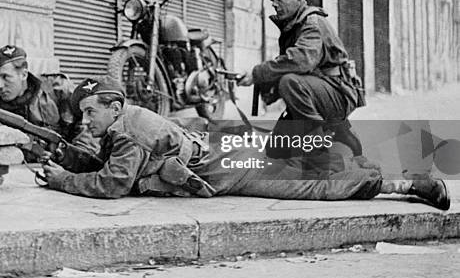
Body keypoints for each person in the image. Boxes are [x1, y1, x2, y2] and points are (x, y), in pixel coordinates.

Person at [42, 76, 450, 211]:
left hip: (225, 168)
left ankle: (411, 184)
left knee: (310, 185)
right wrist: (71, 160)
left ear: (113, 107)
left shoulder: (128, 132)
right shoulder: (128, 121)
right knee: (308, 168)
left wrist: (63, 179)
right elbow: (112, 166)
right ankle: (383, 171)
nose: (85, 119)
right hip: (220, 153)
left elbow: (112, 184)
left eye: (91, 111)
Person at [237, 0, 366, 167]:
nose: (274, 3)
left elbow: (301, 61)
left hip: (339, 94)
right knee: (276, 151)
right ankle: (340, 132)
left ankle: (319, 152)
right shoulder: (295, 25)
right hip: (323, 91)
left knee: (289, 82)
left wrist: (257, 73)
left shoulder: (311, 23)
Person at [0, 45, 99, 166]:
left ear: (24, 75)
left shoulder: (56, 90)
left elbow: (88, 126)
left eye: (5, 77)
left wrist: (69, 160)